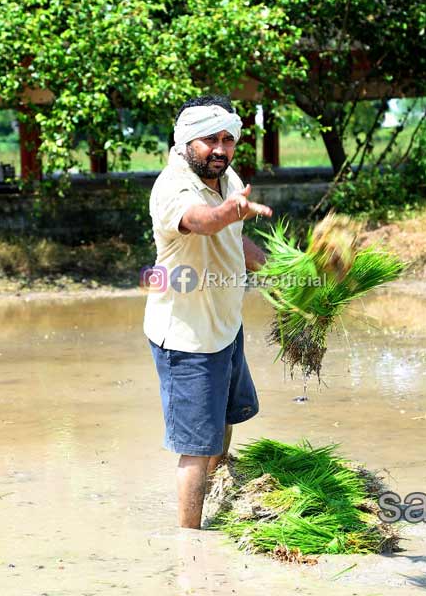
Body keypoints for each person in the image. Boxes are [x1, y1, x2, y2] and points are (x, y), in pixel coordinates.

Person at [144, 95, 273, 529]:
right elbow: (202, 221)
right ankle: (190, 543)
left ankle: (218, 496)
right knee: (196, 447)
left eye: (227, 139)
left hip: (224, 326)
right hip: (187, 338)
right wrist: (225, 213)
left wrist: (283, 270)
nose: (220, 149)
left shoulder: (228, 178)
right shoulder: (172, 187)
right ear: (184, 142)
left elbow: (232, 238)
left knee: (222, 423)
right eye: (208, 140)